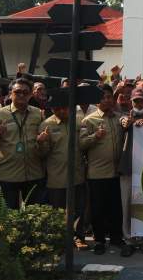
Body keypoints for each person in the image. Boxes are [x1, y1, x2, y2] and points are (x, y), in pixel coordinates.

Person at [0, 78, 46, 209]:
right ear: (10, 93)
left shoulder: (38, 113)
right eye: (18, 92)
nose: (22, 95)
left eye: (25, 92)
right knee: (8, 217)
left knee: (34, 215)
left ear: (30, 94)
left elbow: (44, 139)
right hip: (8, 175)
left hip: (34, 173)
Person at [37, 98, 86, 249]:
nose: (62, 111)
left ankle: (78, 238)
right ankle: (60, 239)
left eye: (64, 108)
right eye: (57, 109)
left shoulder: (79, 122)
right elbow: (42, 154)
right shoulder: (46, 125)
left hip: (77, 174)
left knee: (78, 209)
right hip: (56, 176)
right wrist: (41, 142)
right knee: (58, 211)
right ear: (52, 109)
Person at [81, 85, 125, 255]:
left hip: (115, 173)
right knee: (98, 209)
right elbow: (81, 144)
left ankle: (116, 238)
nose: (107, 100)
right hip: (97, 174)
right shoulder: (89, 120)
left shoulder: (118, 118)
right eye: (104, 97)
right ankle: (99, 240)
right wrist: (95, 136)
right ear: (97, 100)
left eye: (110, 97)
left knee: (115, 208)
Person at [118, 88, 143, 256]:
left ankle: (142, 238)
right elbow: (124, 123)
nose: (138, 104)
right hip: (128, 167)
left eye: (141, 101)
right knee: (126, 204)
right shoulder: (125, 117)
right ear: (131, 102)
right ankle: (128, 238)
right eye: (136, 101)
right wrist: (130, 122)